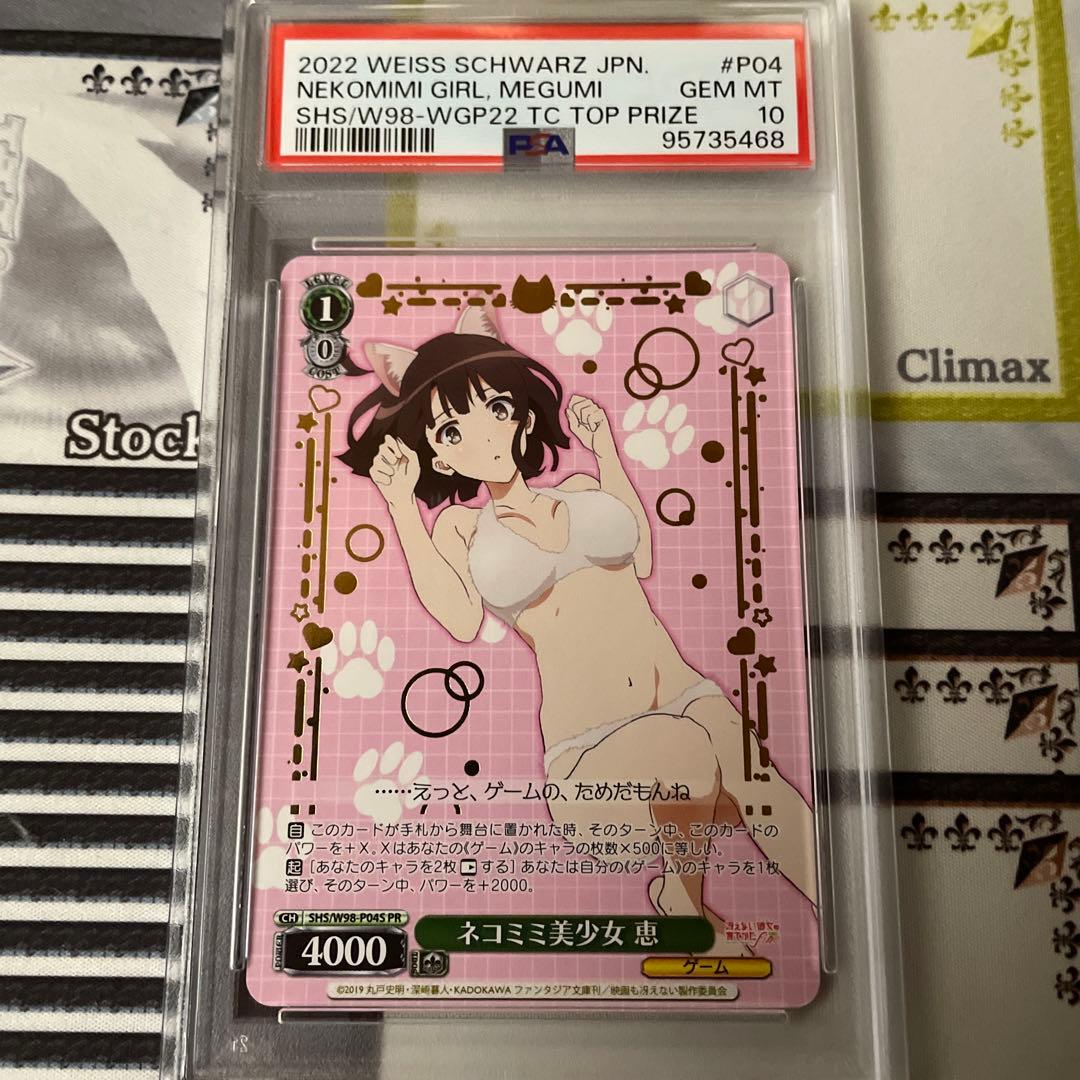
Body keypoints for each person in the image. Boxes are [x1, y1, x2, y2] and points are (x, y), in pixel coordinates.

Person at [340, 305, 817, 948]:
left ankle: (833, 915)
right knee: (682, 746)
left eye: (496, 409)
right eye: (452, 431)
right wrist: (400, 504)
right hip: (593, 761)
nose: (482, 436)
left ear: (522, 416)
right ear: (441, 459)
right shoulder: (460, 527)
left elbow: (640, 555)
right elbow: (459, 617)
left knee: (757, 778)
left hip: (683, 692)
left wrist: (608, 452)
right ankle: (686, 907)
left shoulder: (584, 489)